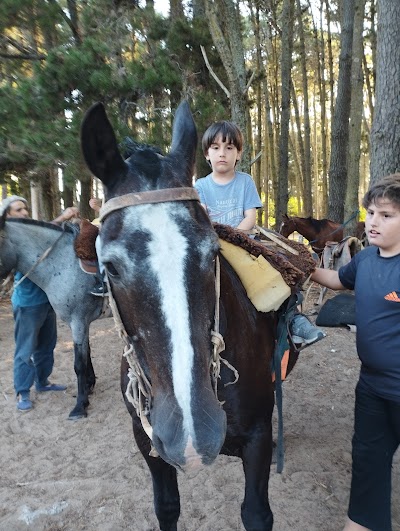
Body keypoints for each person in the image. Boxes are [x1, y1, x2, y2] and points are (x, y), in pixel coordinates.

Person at [311, 173, 400, 531]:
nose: (373, 221)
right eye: (371, 213)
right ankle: (363, 522)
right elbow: (337, 280)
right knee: (368, 462)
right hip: (372, 390)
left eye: (386, 215)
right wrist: (303, 266)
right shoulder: (364, 262)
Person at [194, 120, 325, 347]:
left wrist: (234, 237)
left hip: (246, 243)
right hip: (212, 246)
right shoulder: (201, 187)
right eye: (216, 148)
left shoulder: (245, 182)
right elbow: (202, 219)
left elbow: (250, 218)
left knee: (282, 265)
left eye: (229, 148)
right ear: (207, 153)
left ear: (239, 153)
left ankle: (293, 320)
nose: (222, 154)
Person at [0, 195, 79, 412]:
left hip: (46, 299)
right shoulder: (8, 237)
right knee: (25, 349)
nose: (24, 213)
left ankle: (42, 381)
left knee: (47, 345)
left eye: (25, 209)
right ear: (7, 215)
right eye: (18, 210)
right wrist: (62, 216)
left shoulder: (28, 233)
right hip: (27, 302)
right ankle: (22, 391)